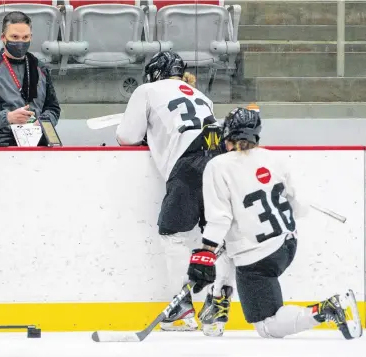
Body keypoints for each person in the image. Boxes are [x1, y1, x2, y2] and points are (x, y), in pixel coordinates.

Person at [187, 107, 363, 340]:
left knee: (267, 326)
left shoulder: (218, 166)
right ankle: (218, 303)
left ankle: (325, 309)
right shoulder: (275, 158)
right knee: (229, 249)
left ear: (227, 134)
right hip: (287, 245)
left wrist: (205, 252)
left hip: (258, 260)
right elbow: (299, 207)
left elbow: (220, 218)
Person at [115, 51, 224, 332]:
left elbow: (127, 137)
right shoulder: (203, 96)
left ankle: (182, 310)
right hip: (221, 158)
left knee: (172, 233)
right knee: (216, 236)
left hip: (190, 161)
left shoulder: (147, 90)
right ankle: (217, 311)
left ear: (154, 73)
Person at [0, 11, 61, 146]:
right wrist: (8, 117)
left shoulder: (40, 68)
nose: (20, 42)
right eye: (14, 36)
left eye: (25, 37)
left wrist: (42, 121)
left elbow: (53, 108)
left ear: (31, 37)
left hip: (37, 139)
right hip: (0, 143)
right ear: (3, 37)